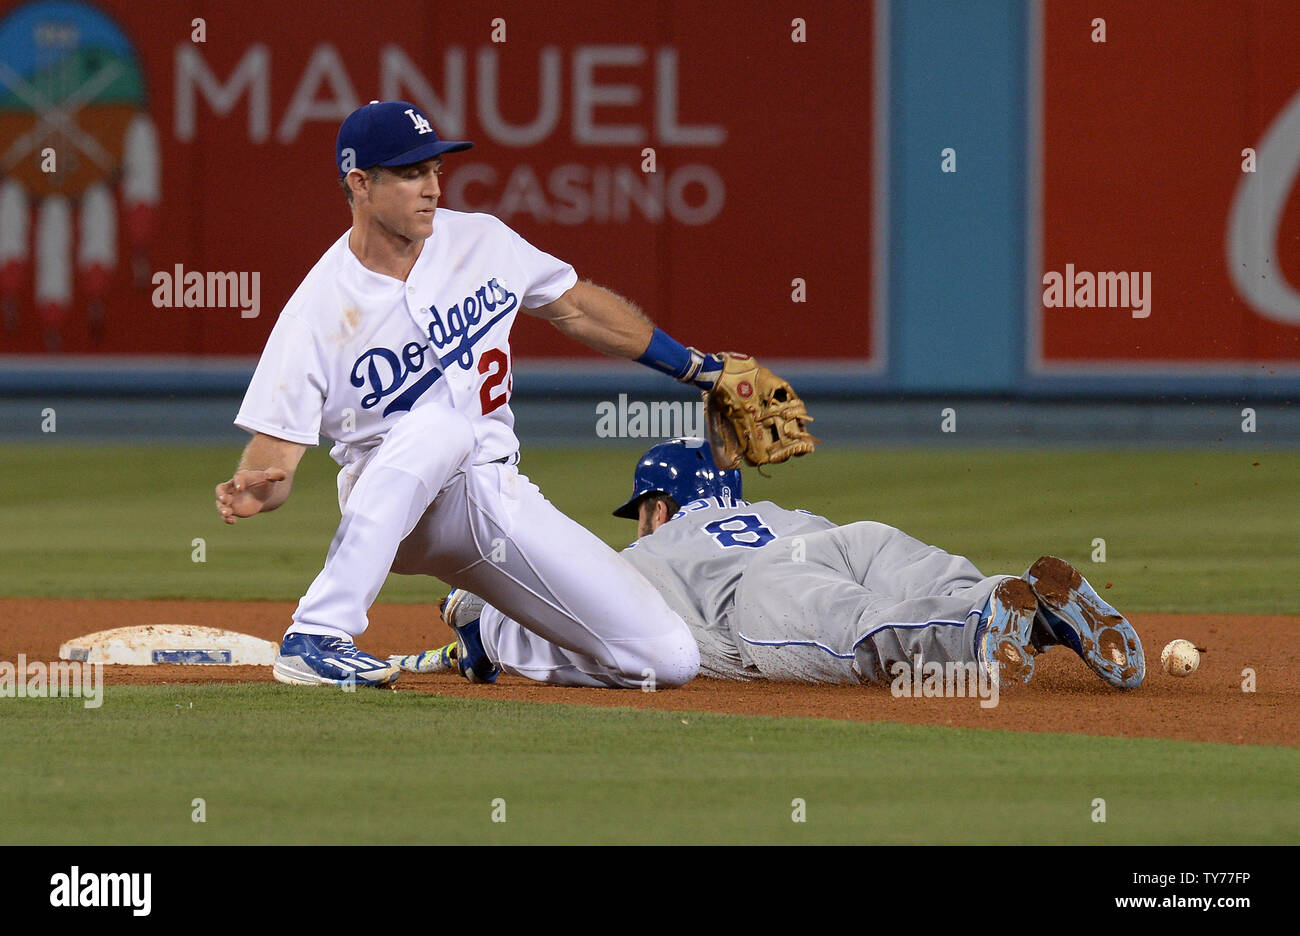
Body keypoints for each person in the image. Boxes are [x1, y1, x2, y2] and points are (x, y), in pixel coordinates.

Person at [213, 100, 749, 690]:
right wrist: (256, 490)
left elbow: (575, 307)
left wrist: (698, 369)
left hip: (498, 496)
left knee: (669, 660)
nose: (433, 188)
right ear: (360, 184)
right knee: (442, 426)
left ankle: (491, 631)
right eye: (413, 173)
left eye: (436, 170)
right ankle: (315, 633)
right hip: (399, 504)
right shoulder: (316, 310)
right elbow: (277, 461)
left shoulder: (483, 241)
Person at [395, 438, 1146, 690]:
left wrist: (477, 626)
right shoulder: (768, 513)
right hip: (840, 537)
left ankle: (980, 627)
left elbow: (547, 621)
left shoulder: (640, 553)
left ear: (659, 506)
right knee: (923, 576)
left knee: (864, 630)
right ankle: (1027, 609)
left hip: (761, 590)